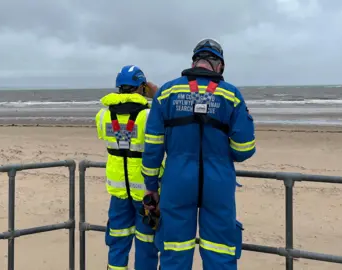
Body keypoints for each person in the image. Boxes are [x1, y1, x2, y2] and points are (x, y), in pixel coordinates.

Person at [141, 39, 256, 269]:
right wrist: (221, 152)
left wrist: (151, 186)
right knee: (220, 250)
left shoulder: (166, 93)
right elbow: (244, 149)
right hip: (218, 181)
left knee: (174, 249)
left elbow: (153, 146)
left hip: (176, 181)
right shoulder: (231, 95)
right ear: (220, 66)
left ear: (195, 61)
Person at [95, 64, 162, 270]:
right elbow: (168, 111)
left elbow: (113, 137)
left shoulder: (102, 116)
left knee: (117, 239)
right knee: (146, 243)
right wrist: (156, 94)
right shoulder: (149, 115)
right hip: (146, 191)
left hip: (118, 190)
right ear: (142, 87)